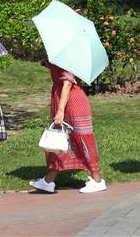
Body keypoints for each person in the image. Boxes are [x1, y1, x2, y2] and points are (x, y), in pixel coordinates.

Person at [30, 61, 106, 194]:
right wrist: (49, 64)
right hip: (62, 99)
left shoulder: (68, 59)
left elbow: (68, 83)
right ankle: (49, 180)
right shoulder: (61, 57)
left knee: (82, 140)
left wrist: (60, 110)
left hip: (72, 102)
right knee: (59, 140)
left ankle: (97, 180)